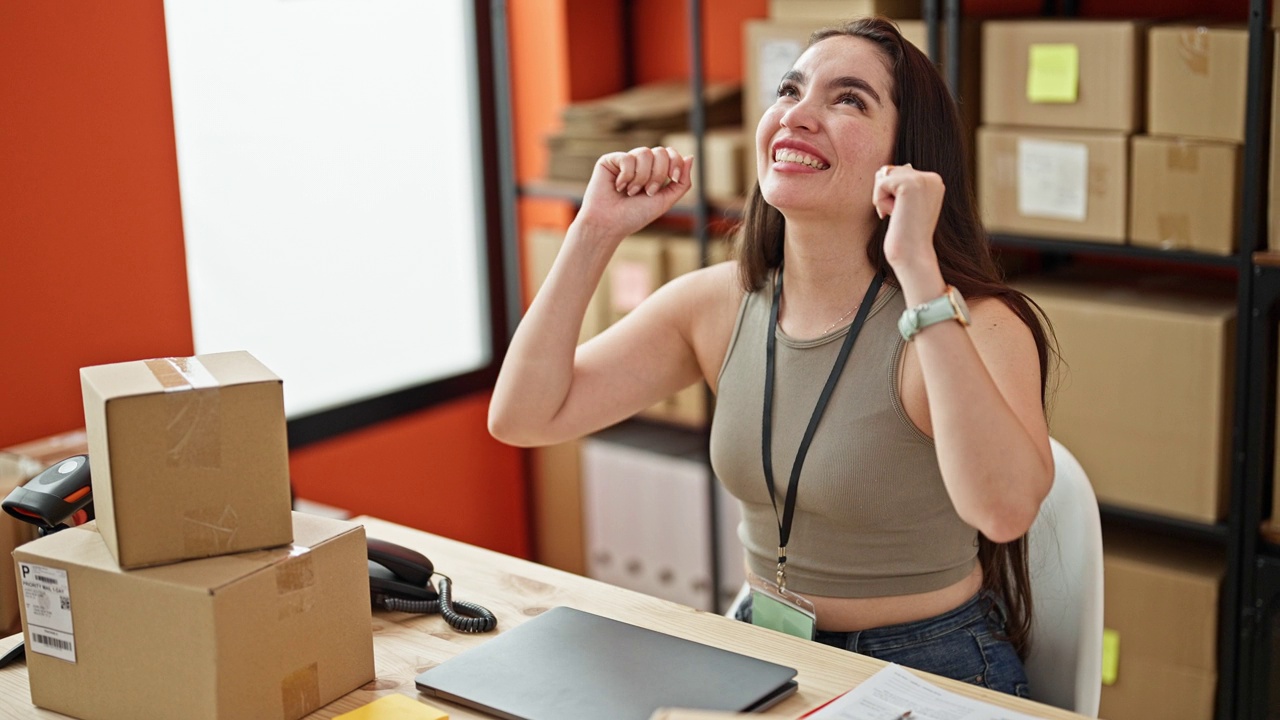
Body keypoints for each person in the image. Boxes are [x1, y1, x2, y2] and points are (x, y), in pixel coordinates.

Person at [488, 16, 1055, 699]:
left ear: (907, 159)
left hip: (927, 668)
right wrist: (594, 230)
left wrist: (917, 268)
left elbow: (1004, 511)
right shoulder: (717, 305)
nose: (799, 115)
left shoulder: (974, 322)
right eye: (789, 89)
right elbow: (522, 417)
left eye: (849, 99)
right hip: (763, 647)